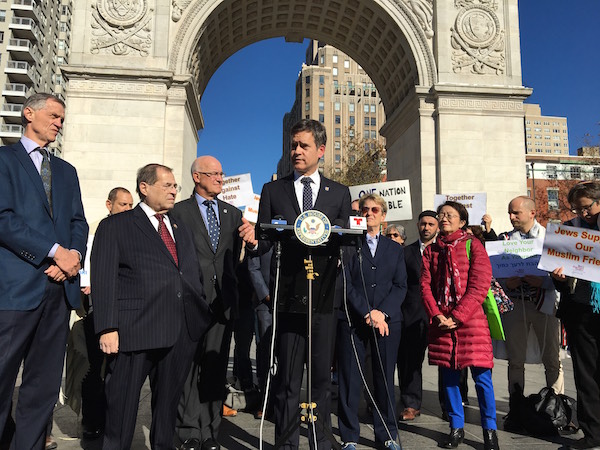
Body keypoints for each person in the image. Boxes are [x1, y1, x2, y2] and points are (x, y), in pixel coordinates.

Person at [92, 164, 211, 450]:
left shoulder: (179, 227)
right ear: (144, 188)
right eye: (167, 185)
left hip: (179, 331)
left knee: (168, 408)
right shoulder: (116, 225)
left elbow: (189, 273)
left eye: (175, 187)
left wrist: (197, 314)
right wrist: (108, 326)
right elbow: (103, 277)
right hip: (134, 331)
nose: (173, 191)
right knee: (121, 407)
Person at [255, 119, 352, 449]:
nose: (296, 150)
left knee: (322, 380)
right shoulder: (273, 190)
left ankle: (321, 442)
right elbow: (265, 240)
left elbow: (341, 239)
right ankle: (285, 443)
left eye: (303, 145)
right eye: (293, 145)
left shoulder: (339, 193)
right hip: (287, 298)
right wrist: (254, 242)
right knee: (288, 380)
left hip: (324, 298)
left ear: (320, 151)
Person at [0, 93, 88, 450]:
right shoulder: (4, 160)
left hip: (58, 294)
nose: (58, 123)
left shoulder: (66, 171)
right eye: (53, 115)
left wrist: (73, 257)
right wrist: (53, 253)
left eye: (62, 119)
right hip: (15, 290)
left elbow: (78, 223)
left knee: (44, 387)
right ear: (28, 113)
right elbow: (4, 220)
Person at [173, 156, 256, 450]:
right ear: (197, 177)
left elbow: (236, 260)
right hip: (189, 301)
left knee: (215, 368)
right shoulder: (177, 212)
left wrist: (254, 239)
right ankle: (188, 431)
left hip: (224, 303)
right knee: (188, 369)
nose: (221, 179)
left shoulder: (234, 214)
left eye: (222, 174)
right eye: (215, 174)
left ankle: (209, 431)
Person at [421, 201, 499, 450]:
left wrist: (458, 316)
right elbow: (425, 286)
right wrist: (436, 314)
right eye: (441, 214)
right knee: (449, 378)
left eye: (450, 215)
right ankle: (456, 428)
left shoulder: (473, 245)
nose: (443, 218)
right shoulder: (431, 251)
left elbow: (480, 284)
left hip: (470, 320)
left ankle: (490, 431)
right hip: (442, 322)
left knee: (482, 378)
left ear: (462, 221)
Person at [337, 194, 406, 450]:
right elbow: (345, 283)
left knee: (384, 379)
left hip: (387, 322)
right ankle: (349, 436)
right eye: (364, 209)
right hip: (354, 320)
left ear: (383, 215)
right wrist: (367, 311)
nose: (369, 213)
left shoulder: (395, 249)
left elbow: (400, 286)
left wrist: (382, 313)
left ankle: (386, 433)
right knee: (350, 379)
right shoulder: (348, 245)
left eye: (375, 209)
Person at [498, 196, 563, 430]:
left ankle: (557, 407)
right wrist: (507, 283)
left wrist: (544, 281)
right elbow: (497, 274)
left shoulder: (550, 239)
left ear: (532, 213)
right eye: (510, 213)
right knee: (515, 359)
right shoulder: (505, 240)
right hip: (516, 304)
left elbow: (563, 274)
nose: (512, 217)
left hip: (543, 302)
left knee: (552, 359)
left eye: (516, 213)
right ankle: (516, 407)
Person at [79, 187, 134, 440]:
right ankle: (92, 421)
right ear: (108, 204)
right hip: (97, 308)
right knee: (94, 369)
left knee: (115, 370)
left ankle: (110, 421)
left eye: (130, 205)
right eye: (122, 204)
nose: (127, 210)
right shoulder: (97, 232)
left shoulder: (133, 233)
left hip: (124, 310)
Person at [551, 182, 600, 450]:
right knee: (586, 375)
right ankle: (593, 433)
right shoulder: (569, 231)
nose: (583, 213)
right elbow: (559, 276)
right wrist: (558, 276)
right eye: (577, 209)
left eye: (587, 207)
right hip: (580, 311)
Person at [397, 210, 438, 422]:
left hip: (442, 314)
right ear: (418, 225)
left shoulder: (445, 250)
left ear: (437, 227)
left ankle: (451, 405)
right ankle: (410, 403)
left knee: (448, 362)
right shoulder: (406, 253)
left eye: (431, 224)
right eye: (423, 224)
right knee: (410, 361)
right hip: (413, 314)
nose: (427, 228)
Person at [247, 247, 274, 420]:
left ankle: (281, 401)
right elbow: (253, 267)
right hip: (265, 304)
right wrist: (265, 295)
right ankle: (265, 400)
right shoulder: (261, 234)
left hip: (288, 302)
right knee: (265, 351)